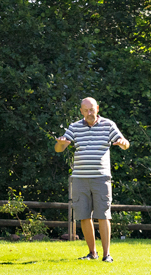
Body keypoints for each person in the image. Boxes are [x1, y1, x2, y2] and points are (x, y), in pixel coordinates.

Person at [55, 97, 130, 262]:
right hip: (80, 178)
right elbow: (59, 149)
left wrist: (123, 143)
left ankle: (106, 255)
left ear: (97, 108)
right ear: (81, 111)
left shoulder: (108, 125)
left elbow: (125, 143)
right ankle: (92, 253)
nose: (90, 113)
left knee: (103, 215)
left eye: (92, 109)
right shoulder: (74, 127)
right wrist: (61, 143)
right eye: (86, 110)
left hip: (101, 178)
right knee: (84, 216)